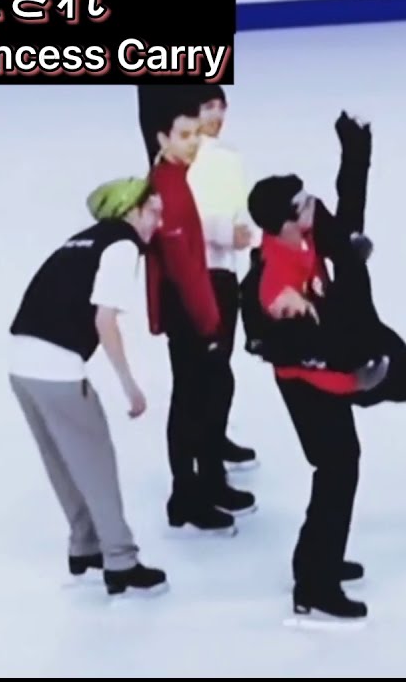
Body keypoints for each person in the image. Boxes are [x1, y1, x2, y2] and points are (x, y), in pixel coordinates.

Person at [243, 112, 406, 624]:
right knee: (337, 470)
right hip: (317, 384)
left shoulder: (304, 234)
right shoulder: (275, 288)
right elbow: (293, 349)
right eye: (304, 204)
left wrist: (356, 151)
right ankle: (314, 585)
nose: (313, 205)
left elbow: (348, 210)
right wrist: (361, 373)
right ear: (286, 221)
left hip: (358, 363)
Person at [7, 177, 168, 599]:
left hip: (20, 364)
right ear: (130, 211)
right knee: (96, 463)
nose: (158, 222)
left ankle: (85, 546)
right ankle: (121, 561)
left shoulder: (81, 241)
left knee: (60, 460)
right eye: (153, 212)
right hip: (56, 366)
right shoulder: (122, 246)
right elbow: (104, 320)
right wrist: (130, 386)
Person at [145, 94, 254, 536]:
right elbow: (183, 262)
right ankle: (189, 491)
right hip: (194, 299)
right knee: (193, 395)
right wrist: (208, 320)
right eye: (186, 133)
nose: (195, 139)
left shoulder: (179, 173)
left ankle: (202, 482)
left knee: (204, 389)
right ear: (163, 137)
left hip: (202, 292)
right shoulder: (170, 183)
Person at [185, 84, 259, 472]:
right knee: (208, 369)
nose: (216, 115)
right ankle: (205, 454)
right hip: (202, 272)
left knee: (220, 365)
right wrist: (225, 233)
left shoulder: (227, 157)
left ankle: (214, 439)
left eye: (220, 106)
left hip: (225, 269)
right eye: (207, 106)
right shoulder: (189, 157)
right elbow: (185, 217)